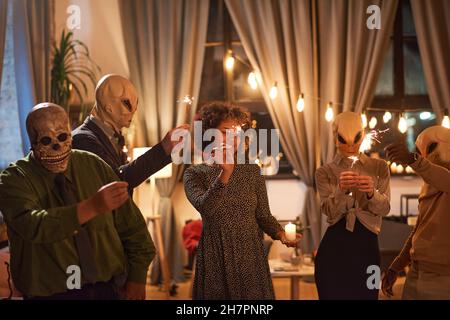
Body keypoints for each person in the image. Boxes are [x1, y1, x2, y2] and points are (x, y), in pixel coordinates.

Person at [0, 103, 155, 300]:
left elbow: (131, 225)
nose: (56, 146)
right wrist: (91, 207)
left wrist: (137, 277)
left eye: (62, 137)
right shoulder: (14, 179)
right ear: (32, 142)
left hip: (106, 289)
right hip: (51, 294)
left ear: (70, 135)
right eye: (46, 141)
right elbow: (33, 225)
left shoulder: (93, 165)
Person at [183, 102, 300, 300]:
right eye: (225, 131)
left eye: (237, 131)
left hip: (250, 253)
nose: (233, 137)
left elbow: (263, 215)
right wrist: (224, 174)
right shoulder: (194, 173)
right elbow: (207, 208)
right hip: (216, 254)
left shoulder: (252, 171)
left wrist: (280, 233)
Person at [315, 111, 390, 300]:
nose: (350, 146)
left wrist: (372, 193)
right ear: (335, 138)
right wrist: (340, 190)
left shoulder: (379, 167)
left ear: (363, 135)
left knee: (368, 296)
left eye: (356, 139)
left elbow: (385, 209)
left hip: (368, 249)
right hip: (333, 250)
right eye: (343, 140)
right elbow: (328, 212)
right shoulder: (324, 172)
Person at [72, 74, 189, 193]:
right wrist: (162, 149)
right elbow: (117, 183)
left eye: (136, 104)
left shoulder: (112, 136)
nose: (133, 111)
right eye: (127, 104)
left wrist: (166, 149)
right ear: (109, 107)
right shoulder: (83, 140)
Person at [383, 125, 450, 299]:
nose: (423, 157)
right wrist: (396, 265)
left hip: (442, 277)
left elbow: (441, 177)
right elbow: (419, 229)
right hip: (416, 269)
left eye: (426, 150)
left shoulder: (442, 180)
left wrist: (413, 159)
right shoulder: (427, 186)